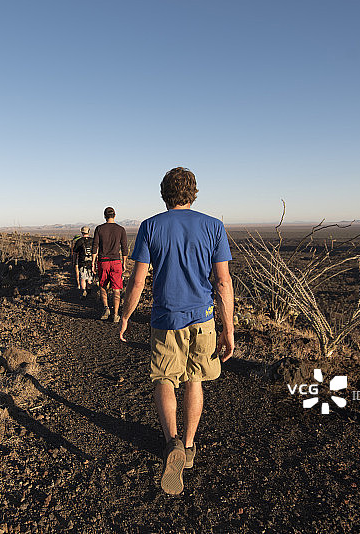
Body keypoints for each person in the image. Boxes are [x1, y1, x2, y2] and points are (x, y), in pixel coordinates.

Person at [118, 167, 235, 495]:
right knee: (194, 380)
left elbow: (138, 280)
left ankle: (172, 443)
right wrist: (229, 329)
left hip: (165, 319)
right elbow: (223, 282)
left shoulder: (150, 227)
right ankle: (189, 444)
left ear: (163, 193)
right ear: (193, 193)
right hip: (203, 318)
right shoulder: (214, 226)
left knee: (165, 379)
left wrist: (126, 316)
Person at [91, 207, 128, 322]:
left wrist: (93, 262)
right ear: (115, 215)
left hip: (103, 262)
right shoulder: (121, 229)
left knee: (103, 286)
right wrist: (124, 263)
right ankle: (116, 314)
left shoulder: (99, 229)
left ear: (104, 216)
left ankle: (106, 308)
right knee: (116, 289)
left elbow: (95, 247)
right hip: (116, 262)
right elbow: (125, 248)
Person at [72, 226, 95, 298]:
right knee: (90, 277)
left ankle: (83, 291)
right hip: (91, 262)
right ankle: (89, 291)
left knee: (83, 277)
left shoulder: (79, 241)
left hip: (82, 262)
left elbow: (75, 253)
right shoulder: (93, 240)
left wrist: (74, 262)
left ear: (81, 232)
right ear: (89, 231)